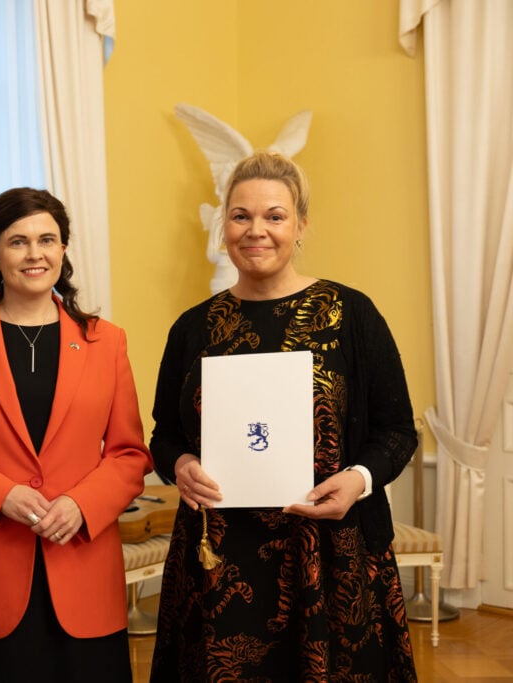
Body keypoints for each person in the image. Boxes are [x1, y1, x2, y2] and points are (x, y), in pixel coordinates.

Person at [148, 151, 418, 680]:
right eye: (241, 215)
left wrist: (357, 480)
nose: (257, 231)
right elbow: (164, 434)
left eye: (275, 216)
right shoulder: (192, 328)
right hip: (218, 559)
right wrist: (179, 464)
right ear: (224, 225)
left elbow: (397, 430)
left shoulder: (351, 314)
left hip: (330, 549)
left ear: (300, 226)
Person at [0, 187, 153, 683]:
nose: (35, 253)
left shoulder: (108, 342)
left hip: (82, 571)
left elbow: (129, 453)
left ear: (64, 251)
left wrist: (83, 503)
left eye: (48, 239)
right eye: (18, 242)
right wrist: (1, 495)